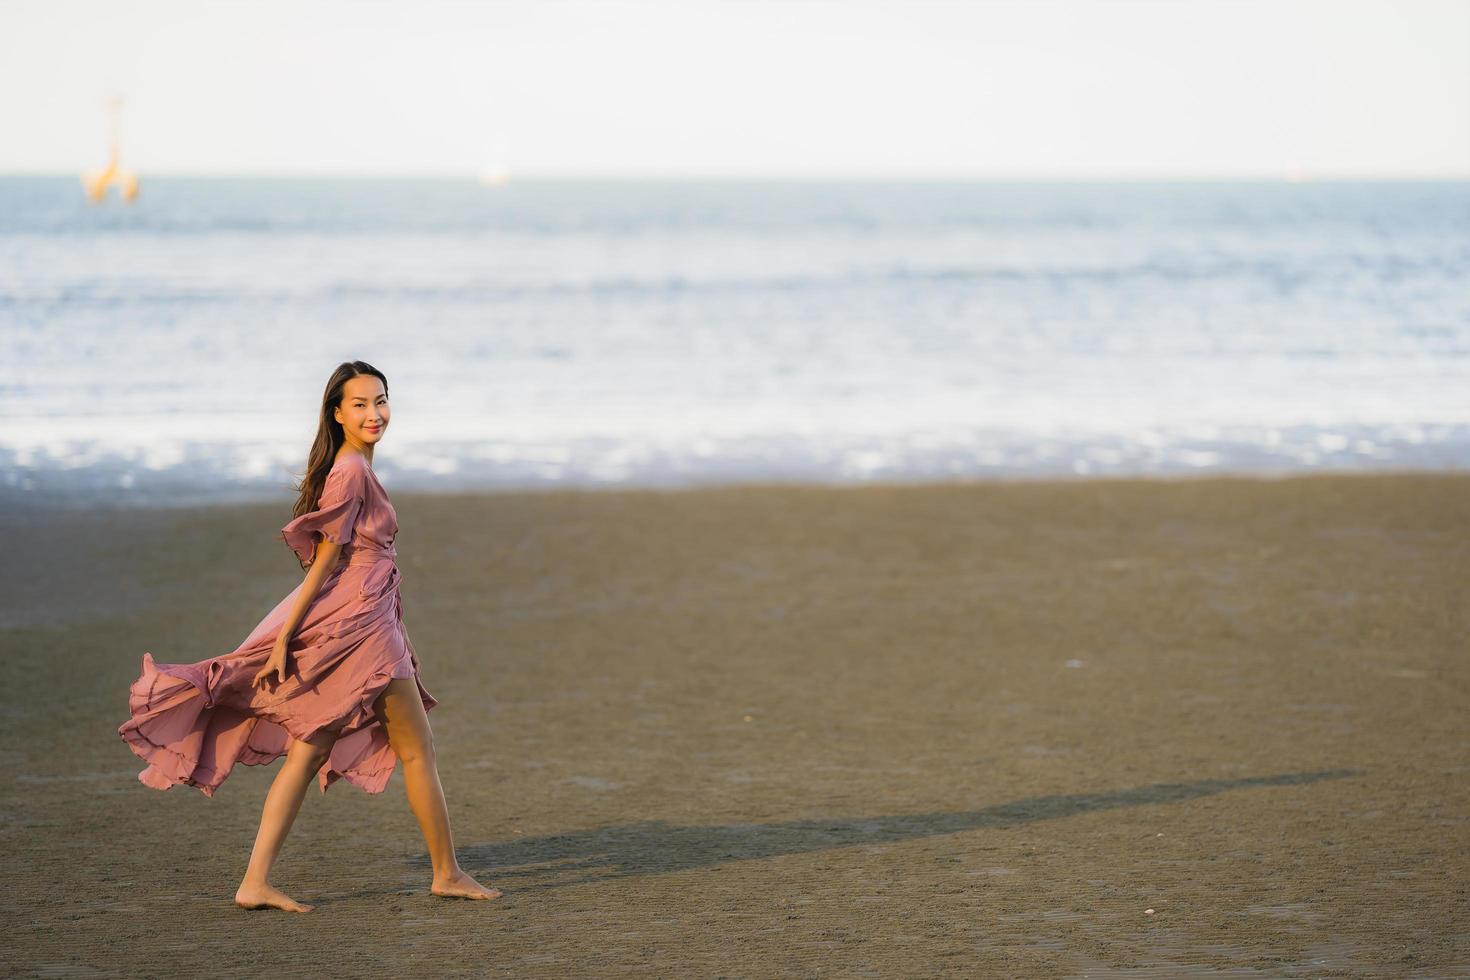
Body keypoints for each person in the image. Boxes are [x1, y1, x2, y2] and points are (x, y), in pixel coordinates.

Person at [117, 360, 501, 911]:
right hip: (359, 626)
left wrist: (390, 626)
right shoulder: (351, 471)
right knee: (416, 750)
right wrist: (284, 637)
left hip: (370, 618)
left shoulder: (356, 468)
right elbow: (326, 559)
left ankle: (256, 882)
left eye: (381, 400)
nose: (375, 413)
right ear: (337, 413)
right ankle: (446, 873)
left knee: (314, 749)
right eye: (361, 404)